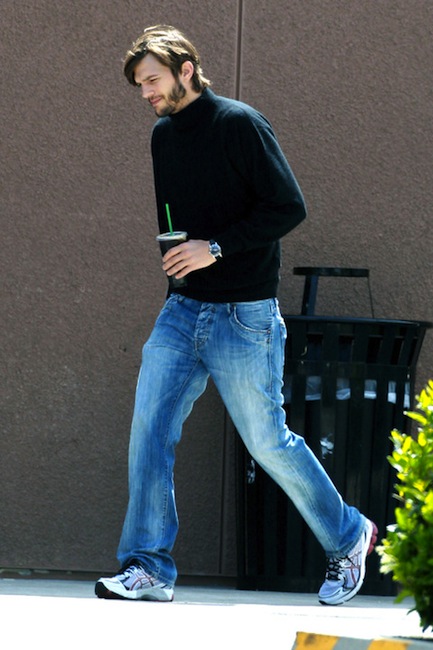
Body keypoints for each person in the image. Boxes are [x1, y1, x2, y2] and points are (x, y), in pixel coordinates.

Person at [95, 24, 377, 605]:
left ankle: (349, 534)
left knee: (268, 442)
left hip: (244, 315)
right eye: (140, 85)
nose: (146, 93)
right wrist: (175, 251)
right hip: (181, 309)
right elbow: (175, 211)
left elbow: (287, 207)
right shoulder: (164, 136)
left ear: (186, 70)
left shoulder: (240, 124)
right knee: (149, 432)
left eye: (153, 80)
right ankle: (148, 566)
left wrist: (214, 248)